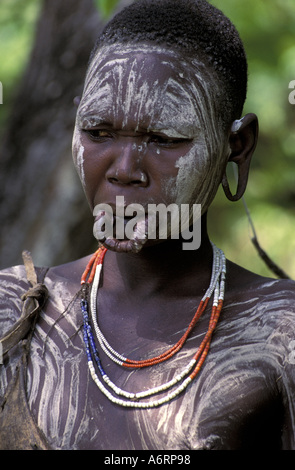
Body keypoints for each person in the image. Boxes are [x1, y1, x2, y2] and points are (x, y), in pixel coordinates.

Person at [1, 0, 295, 450]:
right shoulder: (12, 311)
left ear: (236, 146)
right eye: (98, 132)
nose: (123, 169)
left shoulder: (281, 330)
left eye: (162, 140)